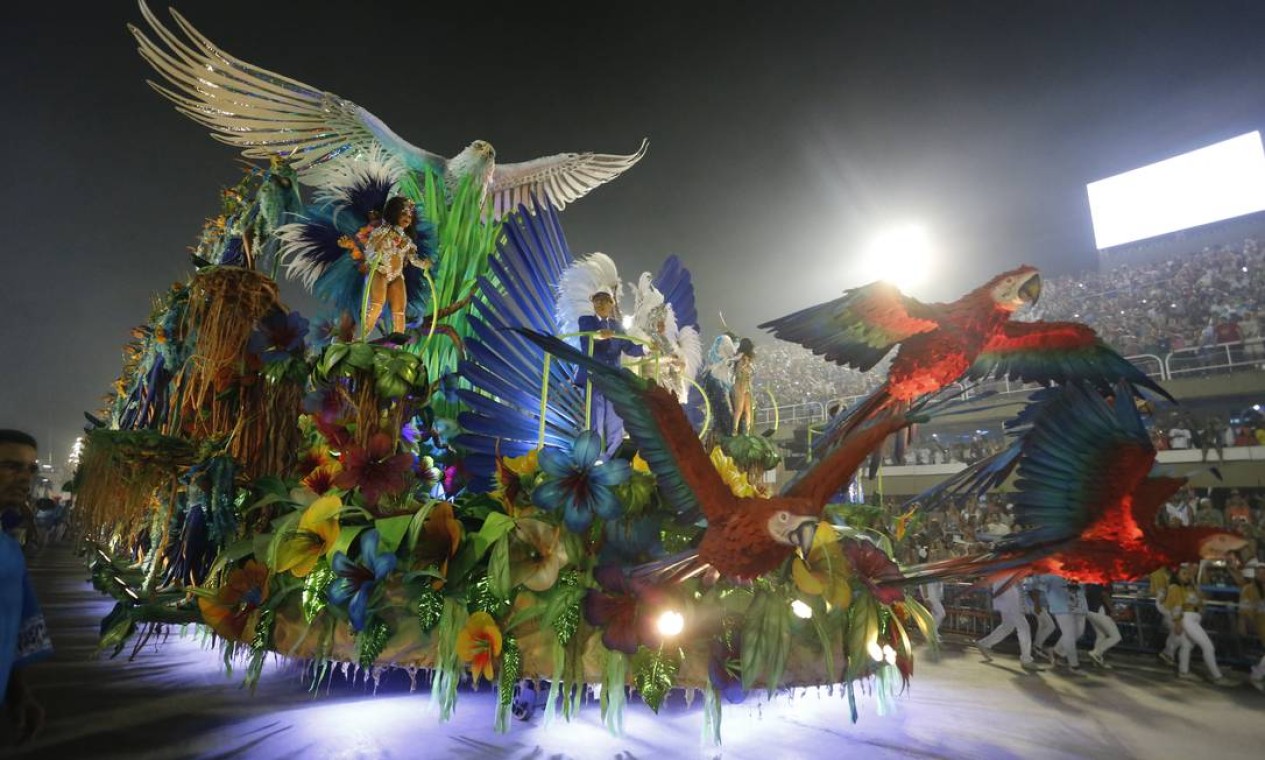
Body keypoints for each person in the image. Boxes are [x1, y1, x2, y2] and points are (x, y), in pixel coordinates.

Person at [0, 430, 53, 744]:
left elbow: (13, 627)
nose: (25, 477)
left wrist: (18, 693)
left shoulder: (9, 549)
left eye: (30, 469)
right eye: (10, 466)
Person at [578, 289, 643, 457]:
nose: (601, 304)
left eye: (605, 300)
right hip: (595, 376)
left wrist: (647, 348)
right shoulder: (585, 320)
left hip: (614, 379)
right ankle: (595, 458)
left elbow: (629, 347)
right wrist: (599, 335)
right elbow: (587, 338)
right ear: (592, 303)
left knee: (616, 418)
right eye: (597, 300)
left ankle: (612, 456)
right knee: (596, 418)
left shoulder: (617, 326)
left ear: (611, 304)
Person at [355, 196, 430, 339]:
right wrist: (382, 246)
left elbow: (413, 259)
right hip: (381, 271)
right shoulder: (383, 232)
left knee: (399, 311)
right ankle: (363, 337)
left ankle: (398, 343)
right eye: (403, 213)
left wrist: (423, 264)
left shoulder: (407, 240)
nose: (407, 218)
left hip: (396, 276)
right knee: (377, 304)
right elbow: (370, 250)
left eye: (410, 215)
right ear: (394, 213)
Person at [1165, 563, 1233, 685]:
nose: (1187, 576)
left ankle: (1183, 672)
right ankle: (1217, 676)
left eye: (1188, 573)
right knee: (1208, 646)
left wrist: (1195, 586)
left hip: (1194, 618)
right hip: (1186, 618)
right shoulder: (1175, 587)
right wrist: (1177, 622)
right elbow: (1176, 606)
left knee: (1187, 645)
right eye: (1183, 573)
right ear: (1177, 575)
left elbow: (1202, 600)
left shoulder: (1191, 587)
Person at [975, 578, 1038, 671]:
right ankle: (1026, 659)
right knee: (1023, 626)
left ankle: (984, 643)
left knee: (1008, 625)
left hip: (1004, 588)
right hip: (1008, 589)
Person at [1083, 582, 1122, 668]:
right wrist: (1113, 610)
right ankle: (1096, 653)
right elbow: (1104, 594)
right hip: (1100, 610)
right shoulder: (1104, 579)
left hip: (1089, 611)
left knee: (1101, 635)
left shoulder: (1090, 579)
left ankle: (1097, 660)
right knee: (1116, 637)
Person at [730, 338, 756, 436]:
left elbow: (754, 371)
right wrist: (744, 366)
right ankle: (735, 431)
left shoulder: (748, 359)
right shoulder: (740, 358)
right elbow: (737, 373)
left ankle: (748, 432)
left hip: (747, 386)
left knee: (748, 410)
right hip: (739, 386)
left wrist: (749, 367)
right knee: (739, 409)